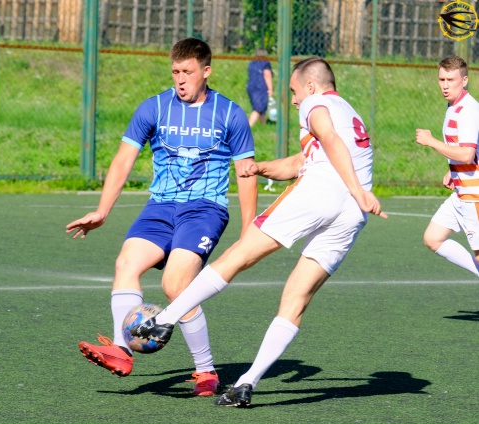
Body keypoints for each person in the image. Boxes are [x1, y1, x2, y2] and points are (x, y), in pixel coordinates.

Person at [133, 56, 387, 407]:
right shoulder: (350, 113)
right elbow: (302, 162)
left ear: (310, 86)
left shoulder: (315, 103)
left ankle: (163, 320)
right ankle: (245, 384)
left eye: (294, 92)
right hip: (351, 214)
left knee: (236, 256)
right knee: (296, 298)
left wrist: (357, 189)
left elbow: (329, 139)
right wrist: (262, 168)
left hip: (324, 193)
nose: (294, 100)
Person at [66, 37, 258, 397]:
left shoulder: (230, 113)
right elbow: (123, 159)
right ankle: (122, 351)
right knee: (126, 264)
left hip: (204, 209)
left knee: (176, 285)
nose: (180, 79)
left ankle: (206, 371)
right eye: (175, 72)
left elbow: (246, 173)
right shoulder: (153, 108)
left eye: (188, 72)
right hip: (160, 207)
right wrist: (102, 210)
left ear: (206, 71)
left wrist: (250, 230)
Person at [415, 55, 479, 277]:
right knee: (433, 238)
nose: (445, 85)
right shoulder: (454, 106)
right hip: (461, 191)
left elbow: (467, 154)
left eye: (450, 80)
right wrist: (452, 169)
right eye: (441, 79)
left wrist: (431, 142)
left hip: (474, 195)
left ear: (465, 80)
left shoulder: (467, 111)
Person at [247, 48, 276, 192]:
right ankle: (248, 127)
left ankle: (263, 125)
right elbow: (267, 76)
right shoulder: (265, 64)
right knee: (258, 109)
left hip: (251, 88)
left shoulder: (252, 63)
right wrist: (270, 90)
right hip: (261, 88)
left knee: (261, 108)